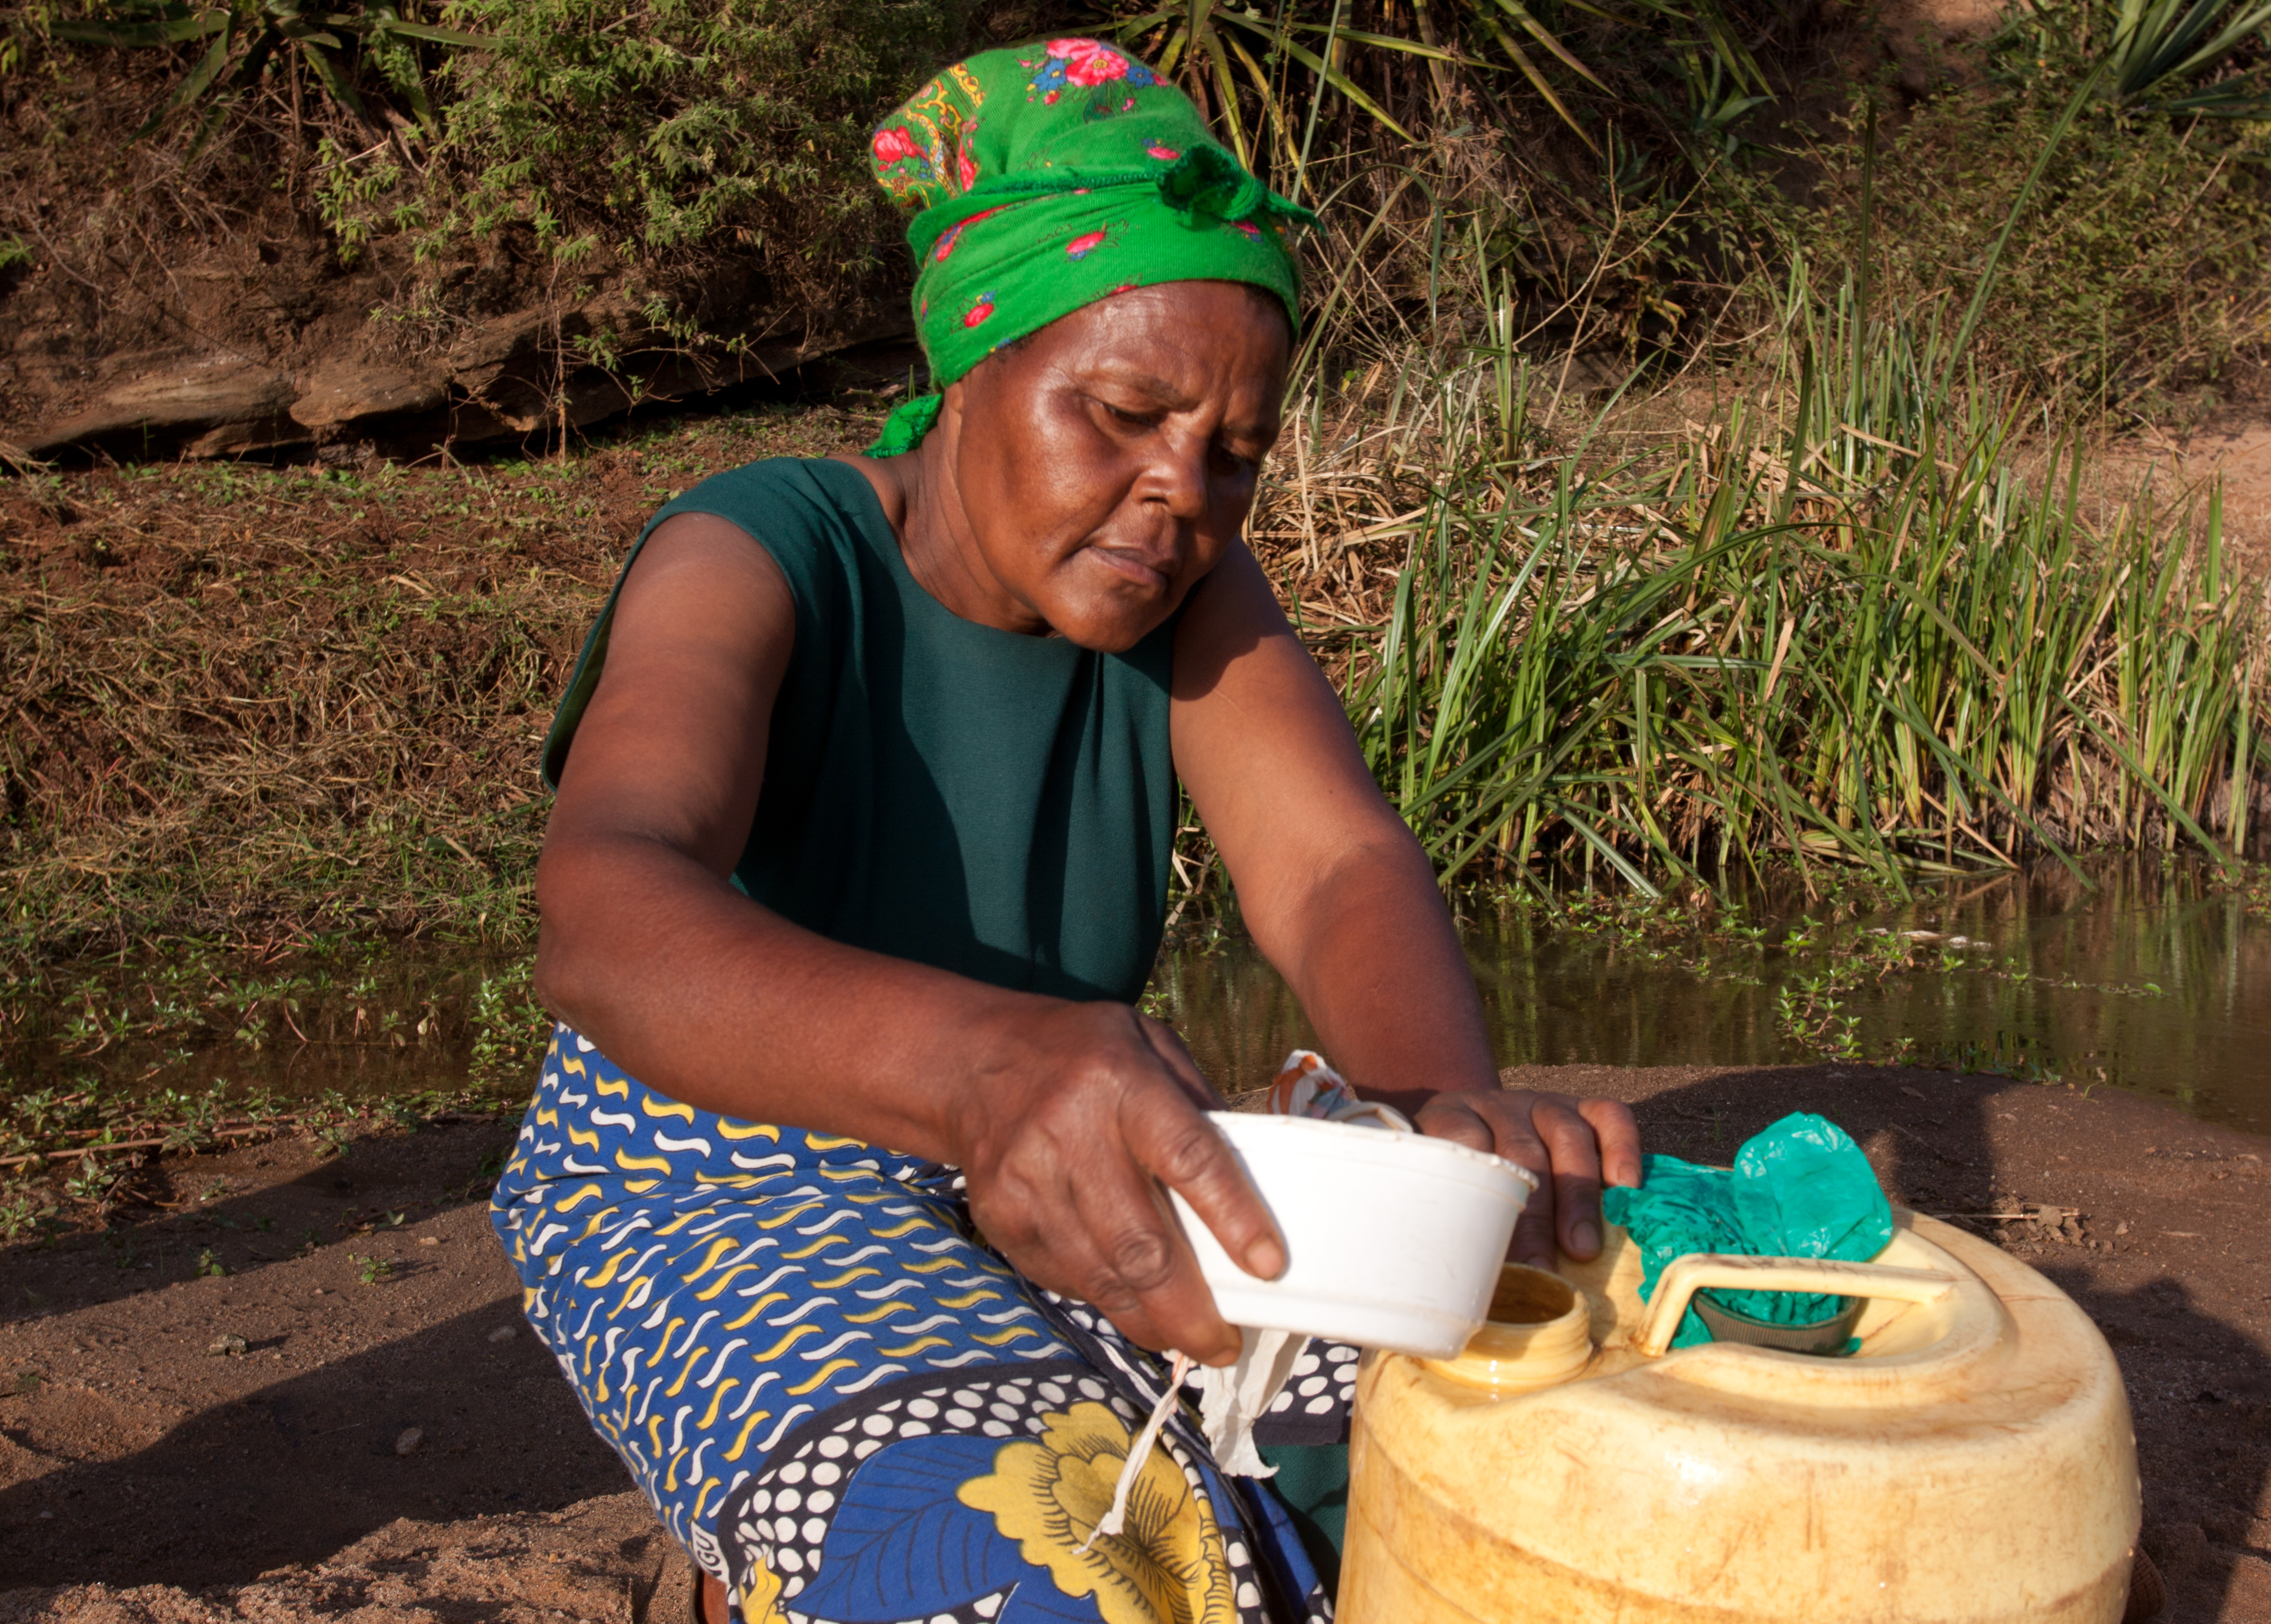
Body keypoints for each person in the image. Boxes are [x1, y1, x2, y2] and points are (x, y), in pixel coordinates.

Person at [491, 38, 1640, 1624]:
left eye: (1234, 451)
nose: (1182, 491)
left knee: (1489, 1443)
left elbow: (1334, 867)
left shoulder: (1184, 599)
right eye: (1122, 413)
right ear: (975, 364)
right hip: (714, 1155)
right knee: (1031, 1561)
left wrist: (1434, 1115)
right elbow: (605, 911)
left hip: (1051, 1131)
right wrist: (988, 1068)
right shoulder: (764, 546)